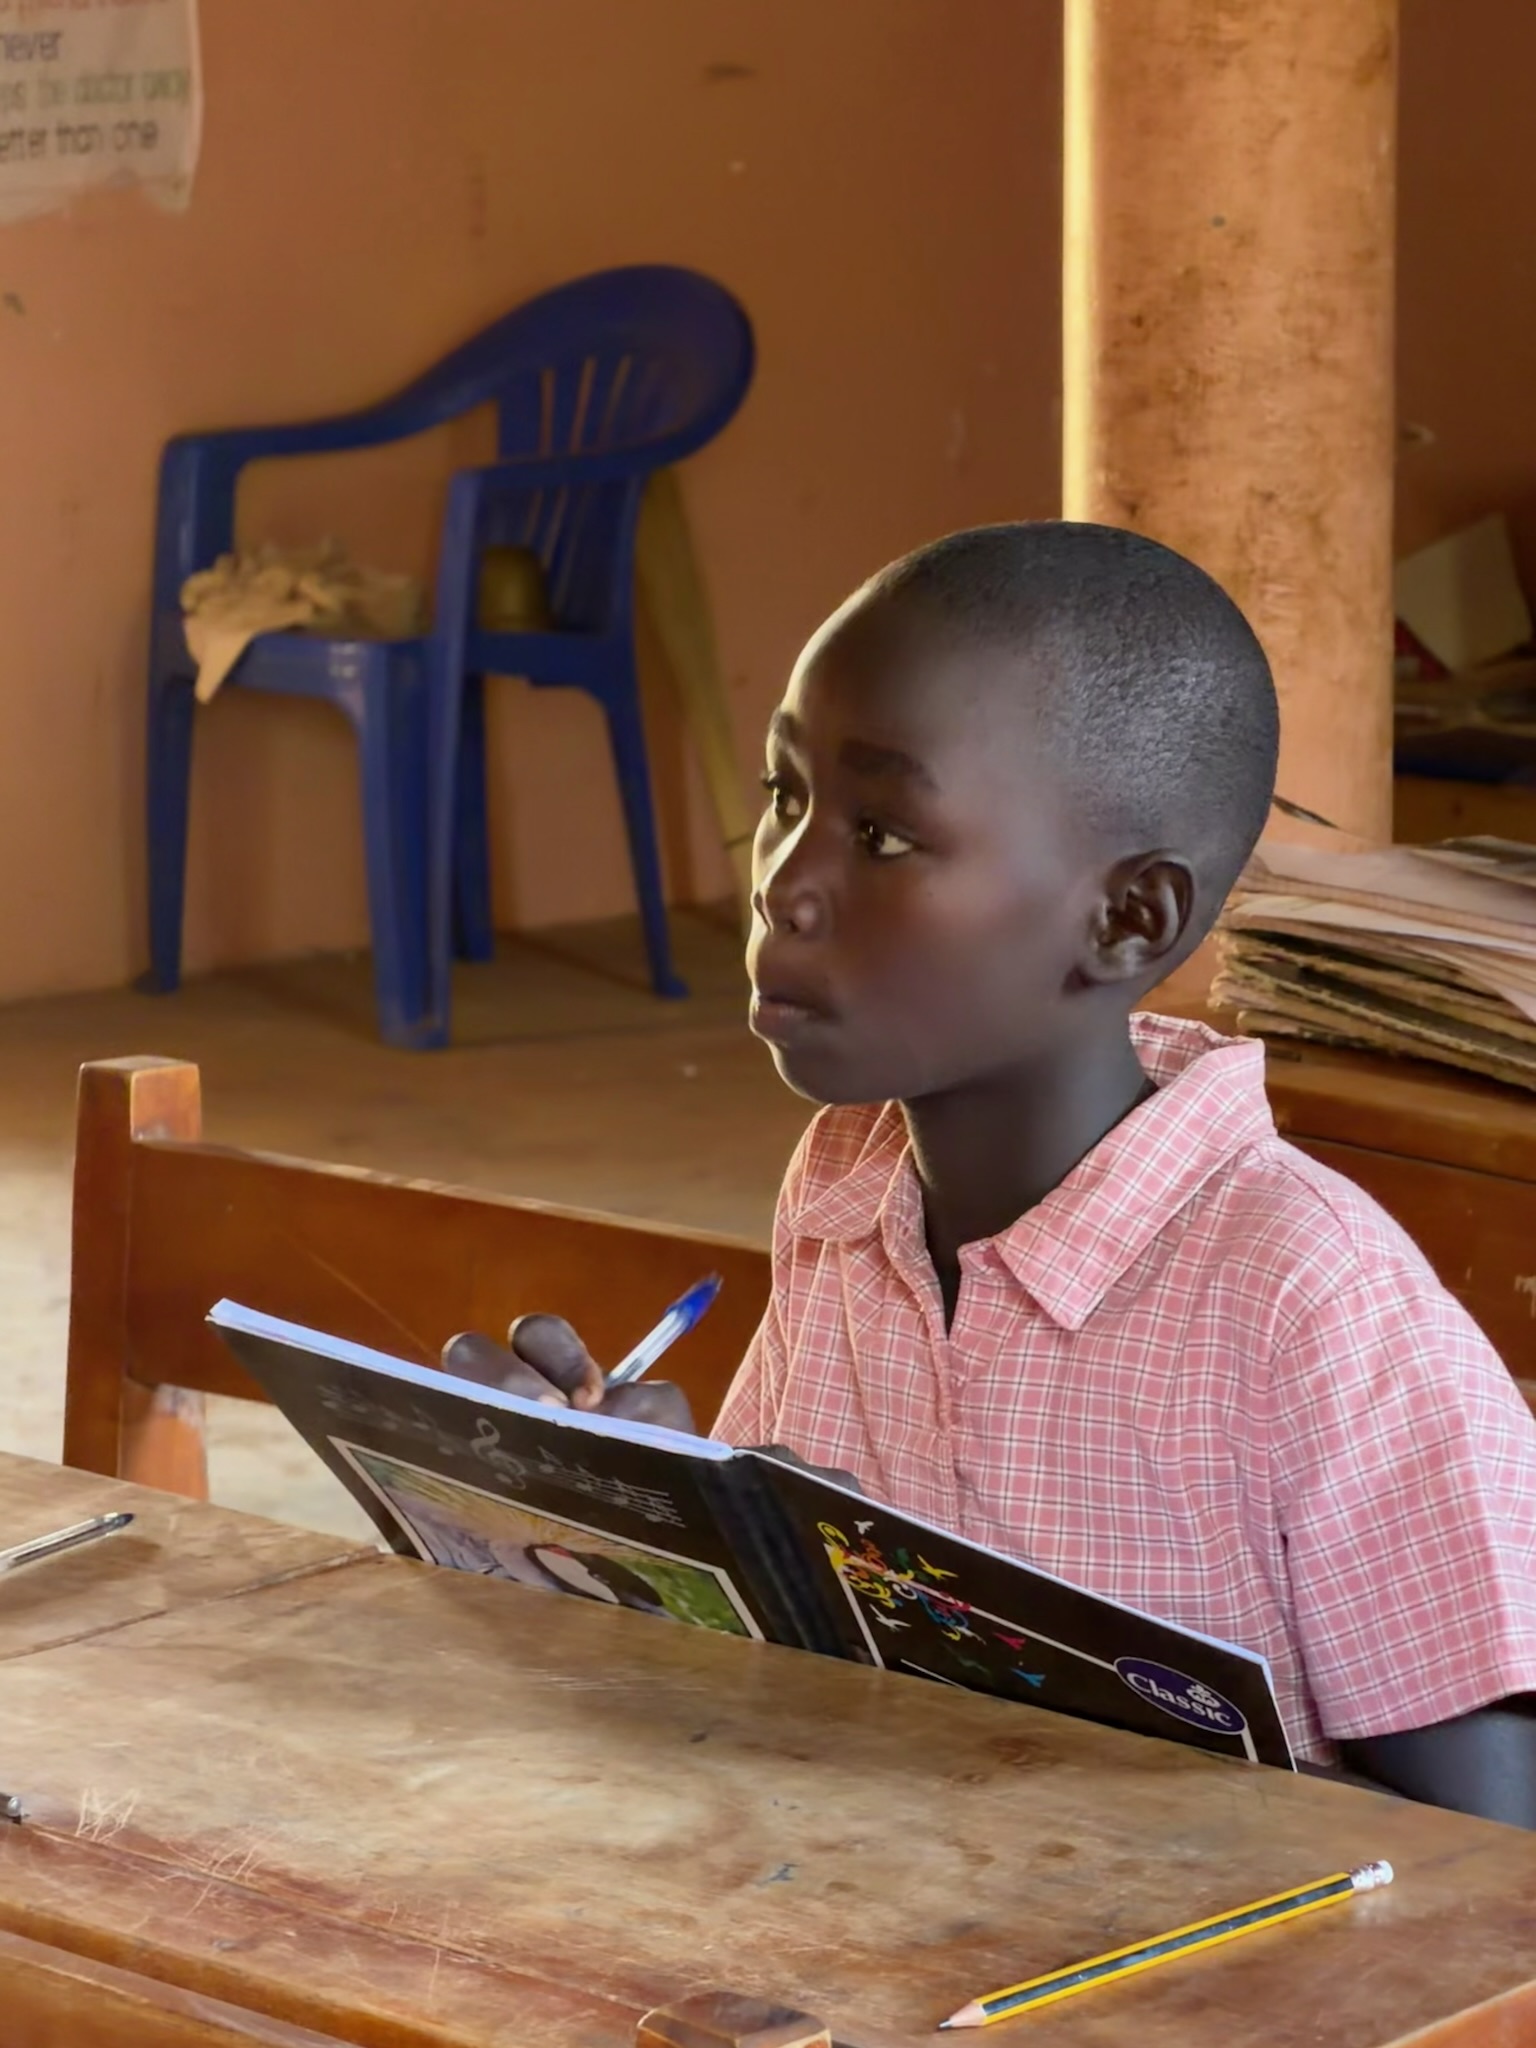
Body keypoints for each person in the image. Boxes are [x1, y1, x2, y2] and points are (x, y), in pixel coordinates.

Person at [444, 522, 1536, 1824]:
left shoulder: (1304, 1292)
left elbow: (1498, 1860)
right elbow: (804, 1661)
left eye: (882, 834)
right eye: (784, 798)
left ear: (1127, 919)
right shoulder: (848, 1188)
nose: (784, 886)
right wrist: (650, 1514)